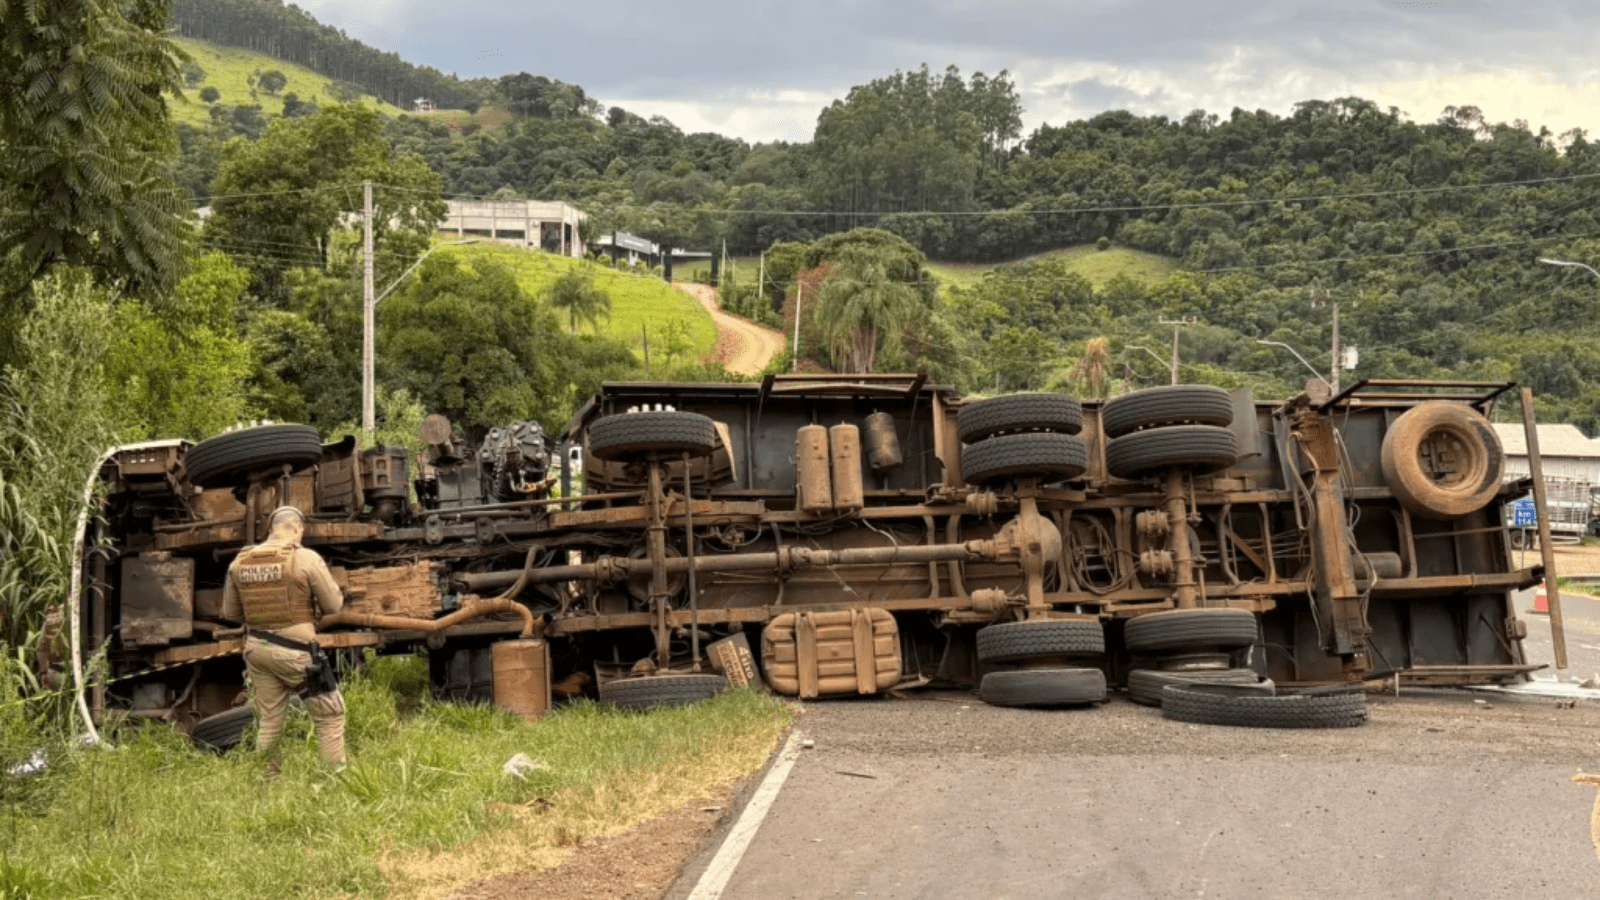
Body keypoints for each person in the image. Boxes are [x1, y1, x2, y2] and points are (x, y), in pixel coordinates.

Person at [221, 506, 346, 777]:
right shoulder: (304, 557)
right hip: (296, 654)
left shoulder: (240, 561)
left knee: (269, 721)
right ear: (297, 529)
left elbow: (231, 614)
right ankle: (334, 781)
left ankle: (269, 782)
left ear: (271, 530)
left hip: (257, 652)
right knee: (330, 714)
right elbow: (334, 605)